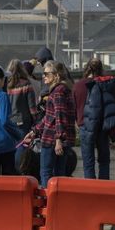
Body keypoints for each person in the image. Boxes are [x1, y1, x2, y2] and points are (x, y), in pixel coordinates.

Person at [22, 60, 76, 189]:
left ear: (56, 75)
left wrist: (58, 139)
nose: (43, 76)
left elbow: (60, 116)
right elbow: (49, 117)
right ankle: (57, 201)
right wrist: (34, 131)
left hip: (52, 139)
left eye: (46, 73)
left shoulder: (57, 92)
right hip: (58, 138)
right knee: (59, 174)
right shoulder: (64, 89)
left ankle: (48, 202)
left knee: (46, 172)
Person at [78, 58, 115, 180]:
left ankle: (90, 190)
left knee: (88, 162)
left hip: (84, 126)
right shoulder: (106, 84)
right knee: (103, 160)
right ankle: (104, 188)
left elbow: (74, 106)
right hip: (103, 126)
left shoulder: (79, 85)